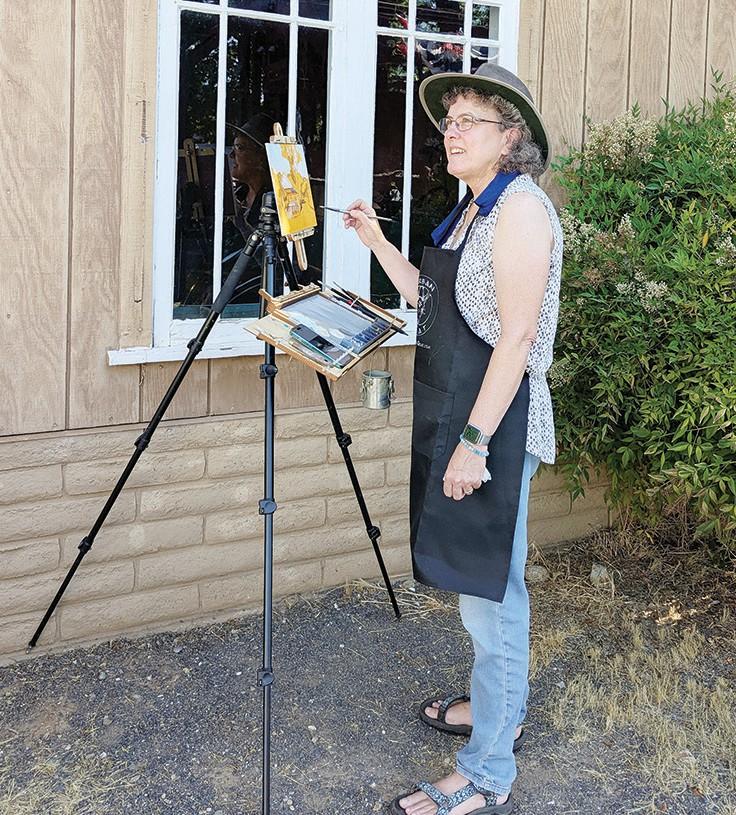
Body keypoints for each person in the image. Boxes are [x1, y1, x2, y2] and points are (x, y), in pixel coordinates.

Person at [343, 63, 562, 815]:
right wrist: (376, 240)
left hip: (495, 423)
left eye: (471, 120)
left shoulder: (520, 210)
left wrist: (473, 442)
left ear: (511, 136)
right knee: (481, 590)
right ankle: (500, 708)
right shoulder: (473, 209)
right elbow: (436, 305)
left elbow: (518, 339)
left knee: (492, 599)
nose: (452, 132)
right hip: (468, 414)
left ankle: (488, 770)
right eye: (449, 120)